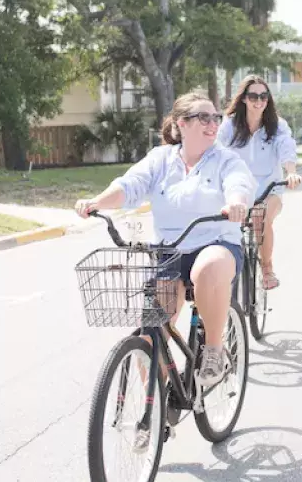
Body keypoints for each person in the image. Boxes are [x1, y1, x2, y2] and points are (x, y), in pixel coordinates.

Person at [75, 91, 255, 391]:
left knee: (206, 269)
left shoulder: (225, 160)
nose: (212, 124)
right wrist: (97, 202)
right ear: (181, 124)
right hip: (169, 251)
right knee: (150, 332)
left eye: (215, 118)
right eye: (203, 117)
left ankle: (213, 351)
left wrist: (236, 202)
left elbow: (239, 184)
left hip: (217, 243)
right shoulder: (160, 159)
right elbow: (130, 185)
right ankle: (155, 411)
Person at [217, 75, 302, 290]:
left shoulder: (277, 125)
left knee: (261, 217)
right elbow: (216, 151)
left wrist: (291, 172)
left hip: (269, 189)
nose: (259, 101)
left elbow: (286, 147)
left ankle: (266, 267)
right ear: (244, 99)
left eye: (264, 96)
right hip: (238, 189)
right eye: (253, 96)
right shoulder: (230, 125)